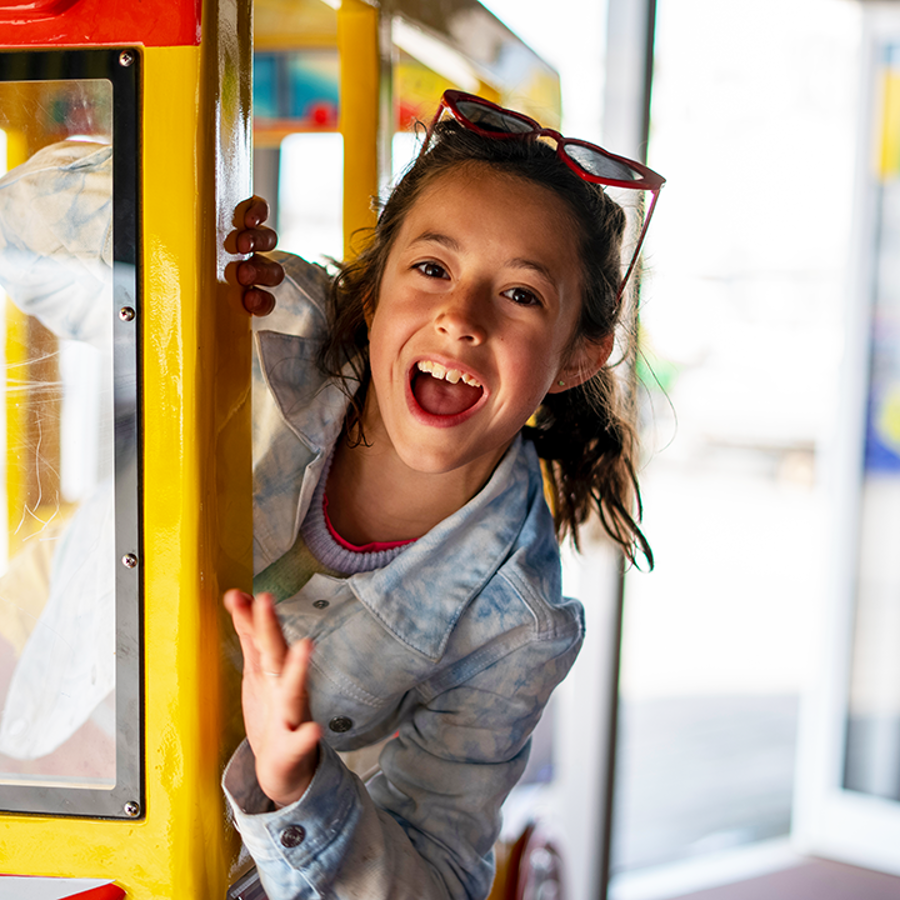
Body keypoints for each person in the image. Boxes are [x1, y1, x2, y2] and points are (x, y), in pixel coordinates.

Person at [222, 90, 663, 900]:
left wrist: (294, 784)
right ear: (376, 286)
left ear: (577, 356)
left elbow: (442, 879)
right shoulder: (259, 315)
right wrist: (178, 241)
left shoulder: (516, 626)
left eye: (521, 293)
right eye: (432, 269)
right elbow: (47, 268)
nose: (461, 318)